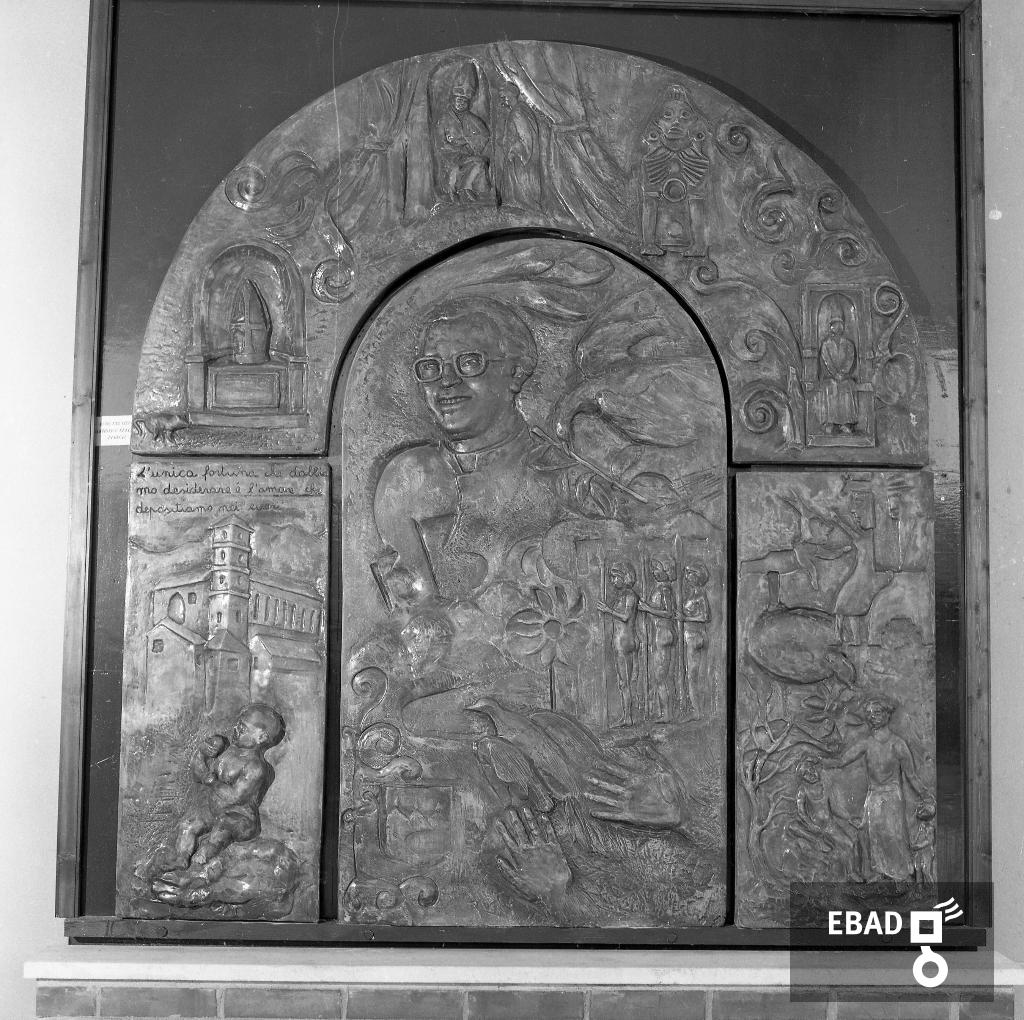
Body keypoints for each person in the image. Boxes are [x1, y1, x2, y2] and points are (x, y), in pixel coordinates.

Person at [373, 296, 619, 604]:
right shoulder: (405, 479)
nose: (446, 381)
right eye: (431, 367)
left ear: (515, 373)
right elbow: (407, 608)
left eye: (469, 362)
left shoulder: (568, 482)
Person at [158, 703, 285, 877]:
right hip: (215, 811)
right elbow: (197, 774)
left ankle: (203, 858)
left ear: (261, 737)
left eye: (243, 728)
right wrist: (202, 752)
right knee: (188, 825)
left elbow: (236, 797)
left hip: (240, 818)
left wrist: (212, 781)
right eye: (237, 724)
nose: (236, 729)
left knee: (222, 827)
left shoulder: (255, 767)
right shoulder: (226, 750)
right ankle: (181, 858)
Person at [822, 695, 930, 881]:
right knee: (874, 835)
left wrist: (926, 796)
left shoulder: (898, 744)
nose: (873, 717)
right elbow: (841, 761)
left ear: (887, 715)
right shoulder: (866, 743)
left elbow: (911, 776)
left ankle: (901, 875)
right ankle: (879, 873)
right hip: (873, 797)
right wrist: (820, 760)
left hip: (892, 797)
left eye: (877, 712)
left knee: (894, 836)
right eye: (870, 714)